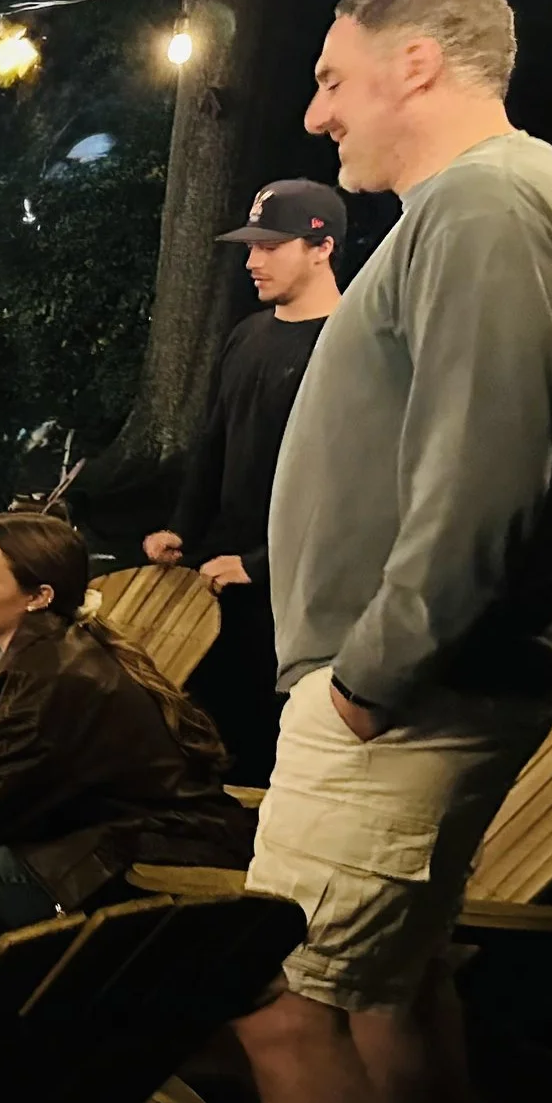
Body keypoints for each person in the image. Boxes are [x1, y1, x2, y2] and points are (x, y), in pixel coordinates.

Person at [208, 0, 552, 1103]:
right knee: (394, 996)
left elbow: (486, 477)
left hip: (408, 699)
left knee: (275, 1000)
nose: (315, 111)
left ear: (422, 62)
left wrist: (372, 678)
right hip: (426, 693)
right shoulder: (484, 209)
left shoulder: (492, 207)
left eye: (332, 75)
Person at [0, 512, 251, 946]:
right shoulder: (41, 655)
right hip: (93, 842)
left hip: (137, 860)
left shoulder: (54, 674)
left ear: (38, 596)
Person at [142, 178, 345, 785]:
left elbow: (349, 486)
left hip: (292, 594)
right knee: (203, 729)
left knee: (267, 745)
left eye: (271, 245)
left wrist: (263, 563)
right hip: (217, 576)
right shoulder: (248, 334)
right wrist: (183, 525)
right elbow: (214, 441)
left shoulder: (350, 344)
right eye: (250, 246)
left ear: (321, 247)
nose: (252, 261)